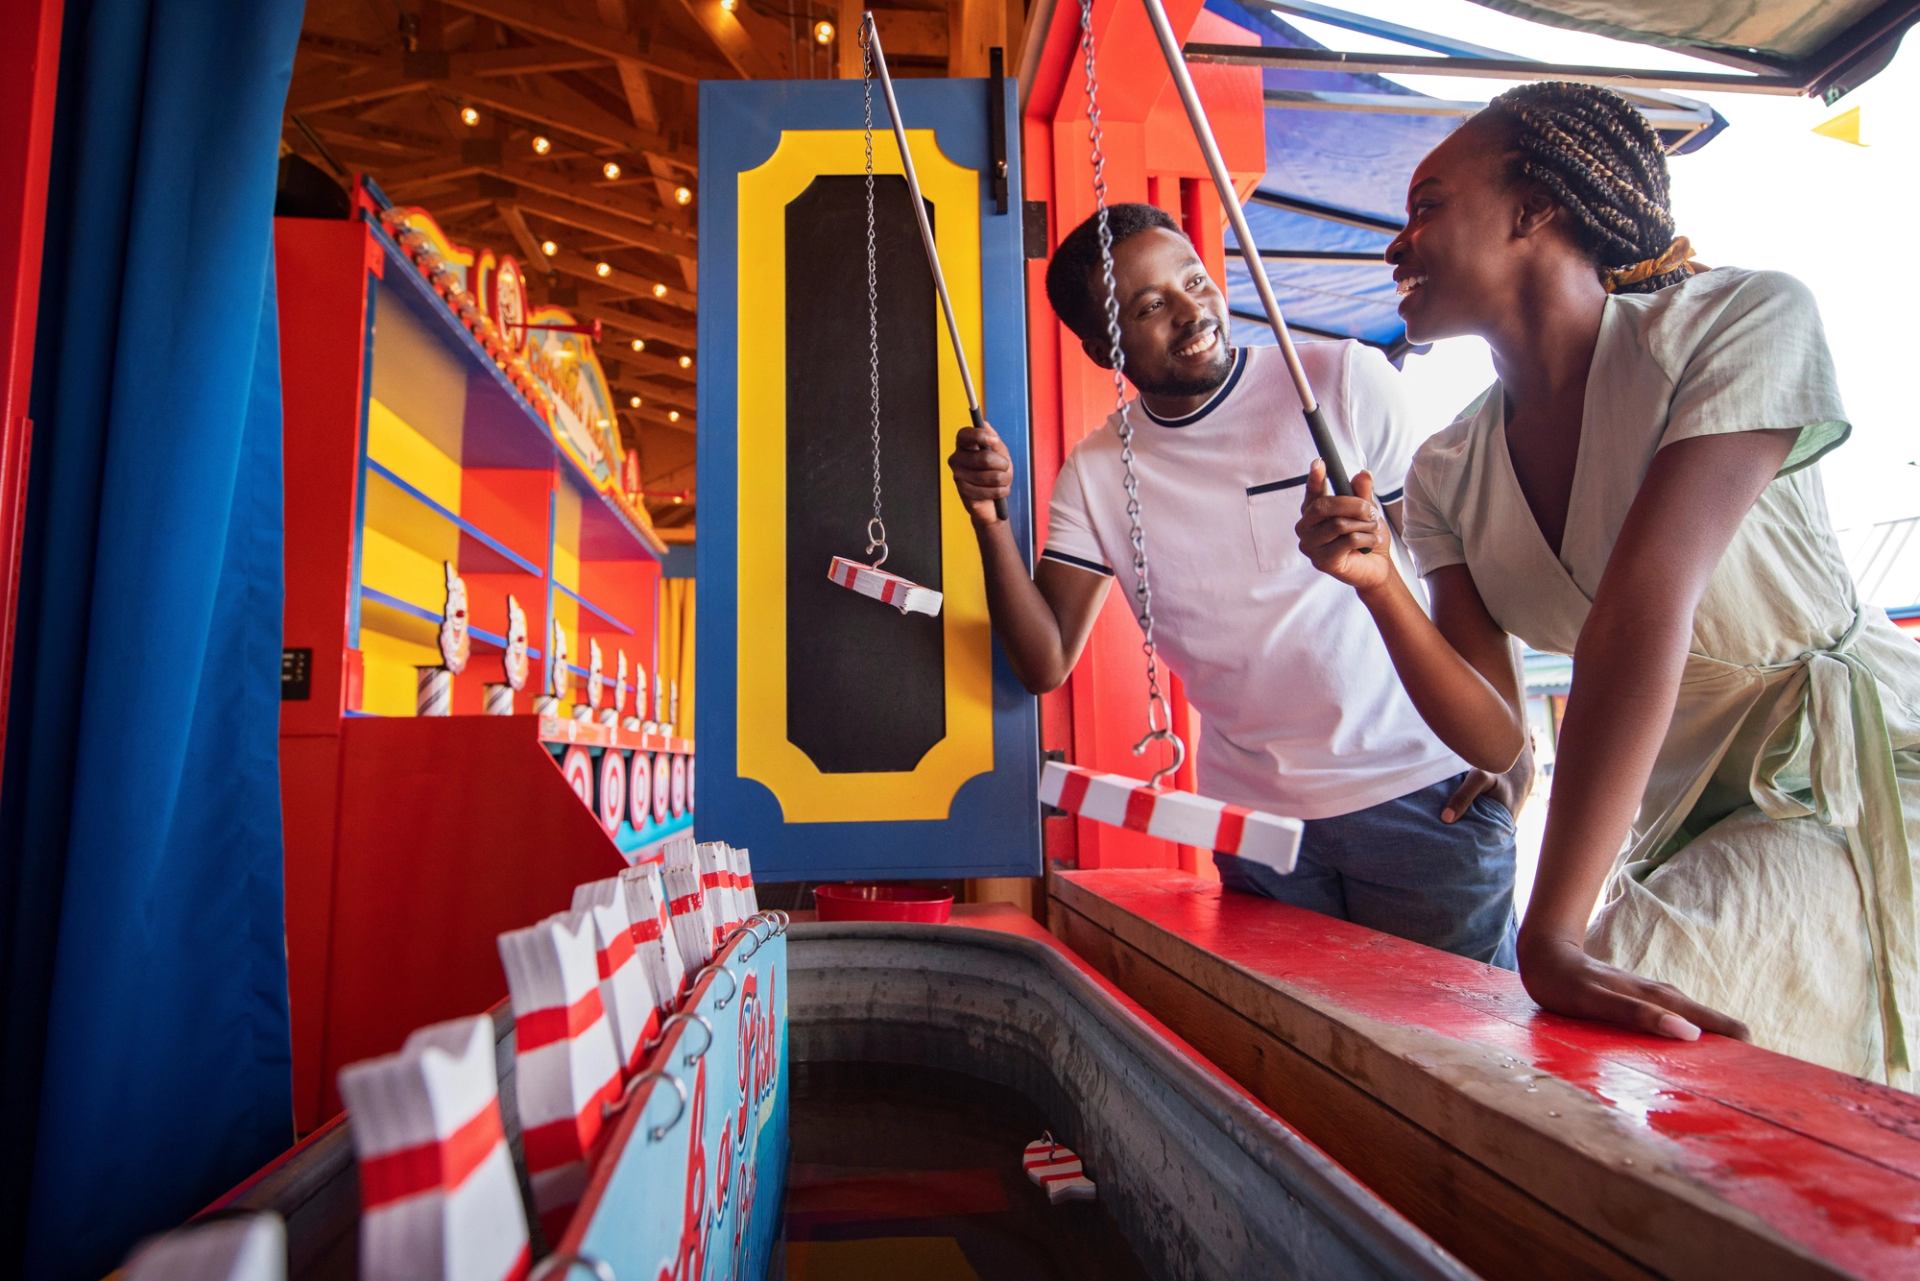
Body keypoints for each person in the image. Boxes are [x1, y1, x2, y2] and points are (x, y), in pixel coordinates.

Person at [1296, 81, 1920, 1085]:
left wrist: (1551, 934)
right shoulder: (1450, 471)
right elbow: (1500, 734)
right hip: (1680, 821)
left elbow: (1645, 605)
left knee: (1611, 1039)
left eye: (1426, 207)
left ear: (1533, 208)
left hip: (1843, 784)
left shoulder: (1738, 322)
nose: (1394, 245)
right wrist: (1378, 585)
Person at [949, 202, 1531, 967]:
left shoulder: (1341, 381)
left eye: (1194, 280)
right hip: (1259, 830)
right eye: (1151, 305)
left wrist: (1509, 736)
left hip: (1423, 799)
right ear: (1102, 347)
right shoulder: (1095, 473)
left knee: (1466, 1065)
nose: (1193, 312)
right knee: (1299, 1061)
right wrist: (989, 522)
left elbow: (1463, 567)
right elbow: (1045, 659)